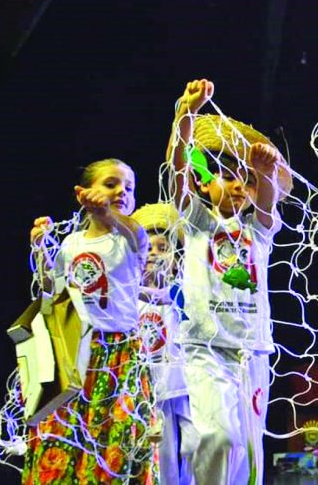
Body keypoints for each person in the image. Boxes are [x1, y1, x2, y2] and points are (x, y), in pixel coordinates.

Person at [165, 79, 291, 484]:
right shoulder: (198, 223)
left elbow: (269, 201)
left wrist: (266, 172)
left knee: (248, 451)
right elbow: (179, 171)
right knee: (220, 439)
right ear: (205, 184)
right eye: (228, 176)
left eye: (247, 180)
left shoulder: (259, 231)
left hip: (253, 351)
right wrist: (185, 115)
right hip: (206, 348)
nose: (239, 185)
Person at [23, 158, 154, 483]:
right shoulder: (71, 243)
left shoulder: (130, 238)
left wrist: (106, 213)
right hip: (74, 354)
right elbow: (54, 293)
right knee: (63, 437)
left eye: (129, 187)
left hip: (119, 357)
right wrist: (41, 250)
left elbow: (136, 231)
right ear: (83, 193)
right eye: (111, 184)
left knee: (116, 440)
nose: (122, 190)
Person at [131, 203, 189, 483]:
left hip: (182, 384)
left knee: (193, 446)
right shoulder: (128, 300)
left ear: (176, 258)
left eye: (162, 247)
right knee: (158, 455)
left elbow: (166, 298)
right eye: (148, 249)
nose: (154, 254)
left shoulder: (181, 294)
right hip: (145, 388)